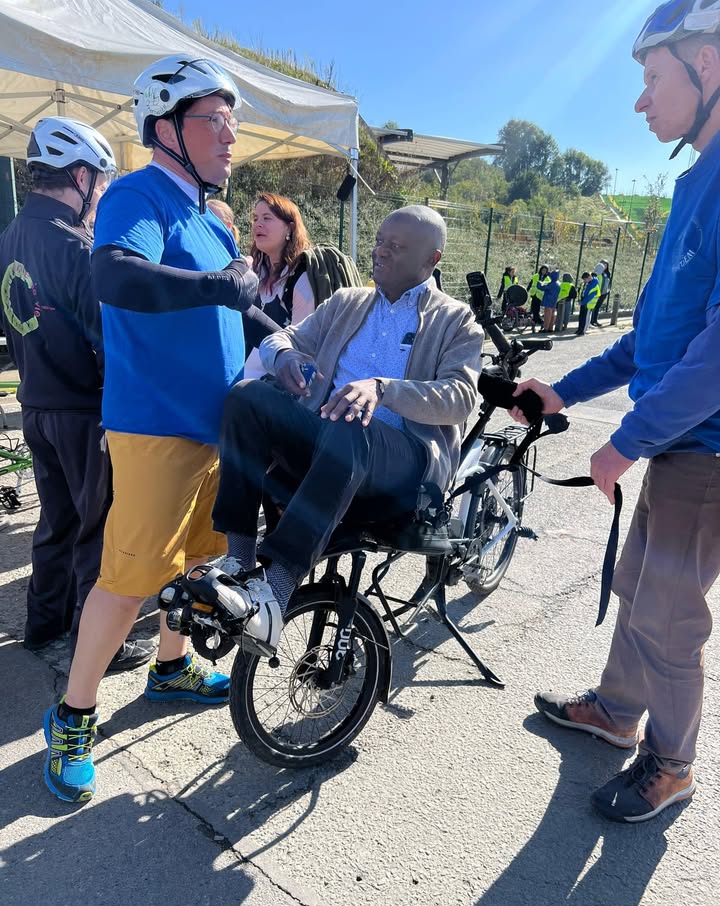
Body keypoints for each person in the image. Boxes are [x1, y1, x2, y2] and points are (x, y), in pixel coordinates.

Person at [512, 0, 720, 823]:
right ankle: (617, 714)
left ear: (707, 65)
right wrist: (560, 391)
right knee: (639, 586)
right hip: (678, 441)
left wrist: (627, 439)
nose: (641, 100)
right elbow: (652, 336)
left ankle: (672, 766)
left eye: (650, 77)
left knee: (669, 616)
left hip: (703, 449)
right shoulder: (694, 182)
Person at [42, 54, 260, 803]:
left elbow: (244, 304)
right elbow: (112, 273)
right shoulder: (140, 193)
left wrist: (291, 344)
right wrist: (217, 284)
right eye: (217, 121)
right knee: (128, 579)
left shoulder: (206, 216)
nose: (231, 137)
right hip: (157, 425)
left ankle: (172, 668)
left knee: (198, 559)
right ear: (166, 127)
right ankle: (72, 715)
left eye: (235, 123)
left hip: (214, 424)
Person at [170, 205, 482, 658]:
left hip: (404, 464)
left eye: (396, 247)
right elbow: (282, 337)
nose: (380, 252)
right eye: (379, 241)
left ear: (431, 260)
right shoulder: (348, 302)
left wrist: (384, 390)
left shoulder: (455, 320)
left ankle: (277, 587)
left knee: (351, 422)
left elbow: (461, 396)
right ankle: (239, 557)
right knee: (246, 397)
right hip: (333, 448)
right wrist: (285, 359)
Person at [0, 118, 152, 671]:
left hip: (35, 404)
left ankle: (43, 625)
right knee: (96, 529)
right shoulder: (77, 246)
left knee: (56, 522)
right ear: (82, 175)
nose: (102, 195)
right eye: (102, 182)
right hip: (84, 411)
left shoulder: (8, 239)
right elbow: (107, 337)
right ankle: (98, 646)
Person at [242, 193, 315, 379]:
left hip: (274, 386)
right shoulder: (255, 272)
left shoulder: (302, 278)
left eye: (267, 218)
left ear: (289, 228)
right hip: (242, 376)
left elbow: (301, 343)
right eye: (256, 218)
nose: (258, 224)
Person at [575, 271, 600, 335]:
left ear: (589, 277)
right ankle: (579, 329)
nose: (584, 281)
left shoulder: (594, 285)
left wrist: (583, 302)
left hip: (588, 304)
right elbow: (582, 291)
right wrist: (580, 300)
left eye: (585, 279)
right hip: (584, 302)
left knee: (585, 318)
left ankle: (582, 331)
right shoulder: (587, 283)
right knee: (581, 317)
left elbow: (590, 297)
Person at [527, 264, 549, 332]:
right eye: (543, 270)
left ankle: (539, 322)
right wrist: (527, 290)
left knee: (536, 311)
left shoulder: (547, 279)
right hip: (534, 294)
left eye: (545, 270)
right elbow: (531, 283)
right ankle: (539, 322)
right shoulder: (536, 275)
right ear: (541, 270)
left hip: (539, 296)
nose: (544, 271)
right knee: (534, 310)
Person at [590, 260, 611, 326]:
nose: (604, 266)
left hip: (604, 292)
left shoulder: (607, 273)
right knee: (593, 306)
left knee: (597, 307)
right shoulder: (597, 273)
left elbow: (608, 282)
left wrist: (608, 290)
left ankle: (595, 320)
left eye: (605, 265)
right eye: (603, 264)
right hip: (596, 292)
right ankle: (591, 321)